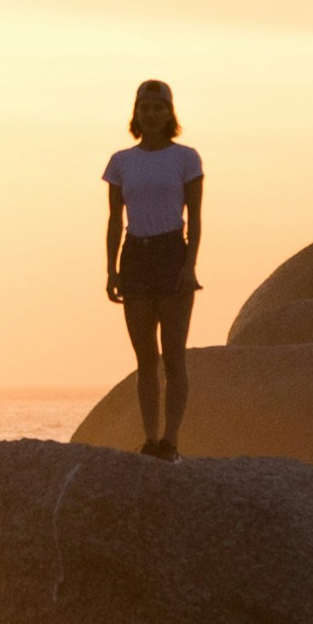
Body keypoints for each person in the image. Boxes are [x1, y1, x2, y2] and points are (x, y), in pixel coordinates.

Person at [104, 79, 203, 459]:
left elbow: (195, 217)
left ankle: (171, 441)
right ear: (136, 112)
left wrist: (189, 265)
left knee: (173, 355)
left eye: (159, 107)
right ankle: (150, 438)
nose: (152, 113)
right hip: (136, 256)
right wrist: (111, 270)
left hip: (171, 252)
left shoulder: (186, 158)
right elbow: (114, 219)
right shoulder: (121, 162)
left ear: (170, 113)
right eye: (145, 107)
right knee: (145, 358)